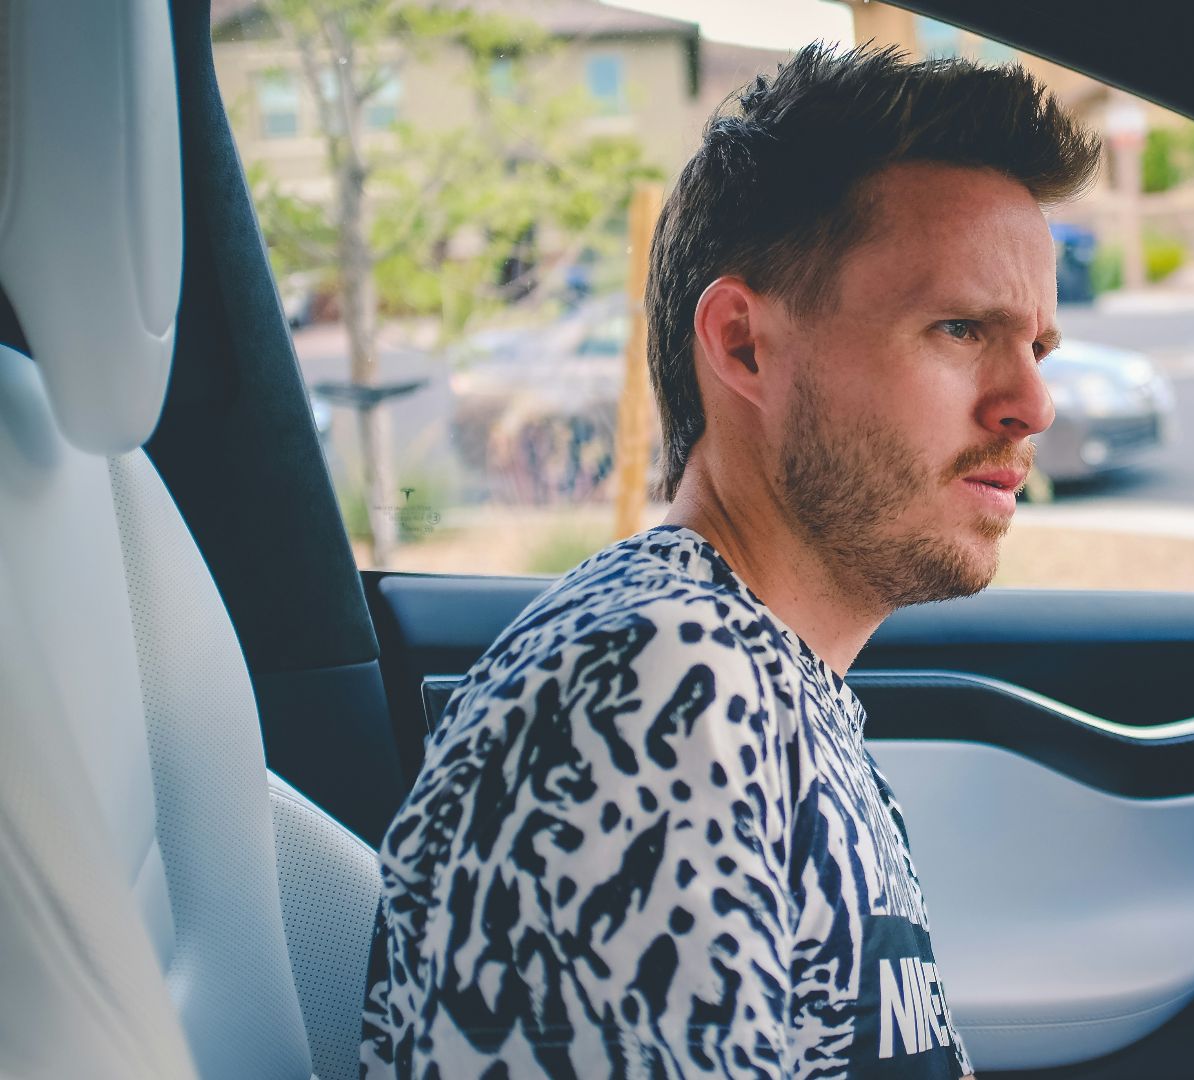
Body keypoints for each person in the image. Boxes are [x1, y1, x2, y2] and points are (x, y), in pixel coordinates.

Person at [361, 44, 1100, 1078]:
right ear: (745, 344)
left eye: (1039, 349)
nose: (1033, 404)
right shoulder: (653, 692)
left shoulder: (758, 680)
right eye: (961, 328)